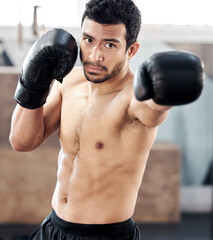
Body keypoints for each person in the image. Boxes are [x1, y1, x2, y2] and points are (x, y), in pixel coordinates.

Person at [9, 0, 204, 239]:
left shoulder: (134, 99)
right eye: (89, 40)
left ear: (131, 50)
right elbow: (22, 142)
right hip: (53, 227)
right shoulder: (69, 83)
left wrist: (166, 95)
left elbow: (153, 109)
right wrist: (34, 82)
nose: (95, 55)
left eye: (110, 44)